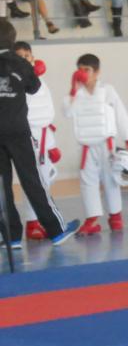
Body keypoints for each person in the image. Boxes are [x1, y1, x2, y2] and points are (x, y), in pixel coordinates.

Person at [0, 20, 79, 247]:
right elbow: (34, 88)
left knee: (1, 187)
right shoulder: (20, 63)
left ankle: (11, 237)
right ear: (12, 40)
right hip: (18, 131)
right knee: (32, 180)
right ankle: (56, 230)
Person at [65, 53, 128, 236]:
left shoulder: (107, 90)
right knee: (88, 182)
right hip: (86, 147)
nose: (82, 73)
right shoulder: (77, 94)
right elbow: (67, 113)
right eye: (79, 70)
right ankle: (92, 220)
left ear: (97, 72)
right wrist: (73, 89)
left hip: (106, 145)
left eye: (87, 70)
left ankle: (115, 216)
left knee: (111, 179)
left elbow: (120, 113)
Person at [12, 41, 59, 241]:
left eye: (27, 56)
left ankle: (39, 221)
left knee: (48, 177)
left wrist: (52, 145)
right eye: (20, 57)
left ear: (33, 57)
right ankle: (32, 223)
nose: (25, 60)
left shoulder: (41, 81)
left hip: (44, 135)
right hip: (28, 135)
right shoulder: (15, 82)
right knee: (34, 180)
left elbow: (47, 112)